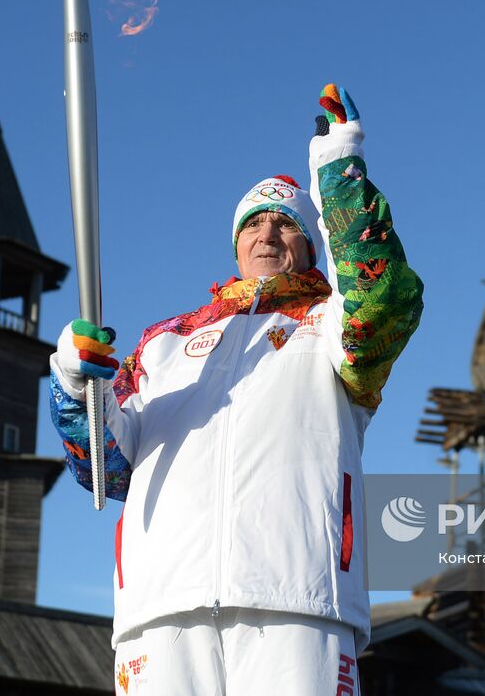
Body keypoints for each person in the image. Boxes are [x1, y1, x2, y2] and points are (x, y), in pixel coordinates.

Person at [49, 84, 423, 695]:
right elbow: (104, 469)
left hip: (297, 598)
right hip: (161, 606)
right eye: (254, 223)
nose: (268, 235)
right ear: (236, 241)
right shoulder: (163, 344)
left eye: (286, 224)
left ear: (310, 243)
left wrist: (339, 175)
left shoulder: (329, 324)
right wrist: (73, 381)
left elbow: (381, 302)